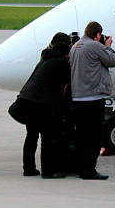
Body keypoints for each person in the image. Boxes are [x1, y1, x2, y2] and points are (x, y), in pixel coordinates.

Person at [69, 21, 115, 180]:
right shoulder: (94, 46)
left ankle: (80, 166)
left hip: (77, 96)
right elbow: (113, 61)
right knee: (94, 135)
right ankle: (89, 169)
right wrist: (108, 46)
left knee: (81, 134)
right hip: (93, 96)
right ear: (97, 35)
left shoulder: (75, 47)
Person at [18, 32, 71, 178]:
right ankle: (48, 171)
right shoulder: (60, 63)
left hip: (27, 99)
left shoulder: (45, 59)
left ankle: (28, 168)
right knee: (47, 138)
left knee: (31, 136)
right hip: (41, 104)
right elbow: (69, 81)